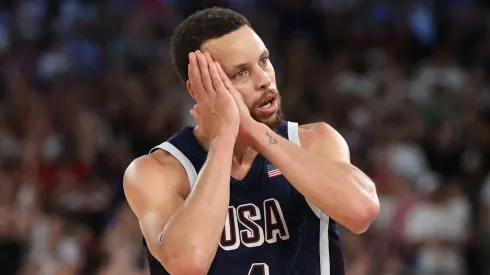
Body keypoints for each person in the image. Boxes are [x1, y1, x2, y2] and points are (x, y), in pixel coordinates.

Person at [123, 7, 380, 275]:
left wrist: (255, 132)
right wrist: (224, 137)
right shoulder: (157, 171)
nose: (265, 80)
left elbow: (362, 212)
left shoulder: (316, 141)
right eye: (240, 73)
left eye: (264, 61)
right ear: (198, 89)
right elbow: (189, 263)